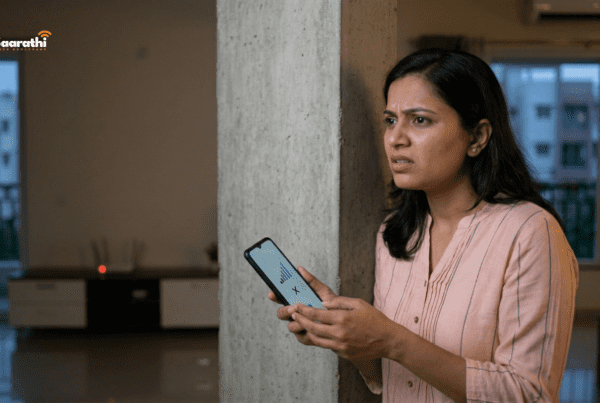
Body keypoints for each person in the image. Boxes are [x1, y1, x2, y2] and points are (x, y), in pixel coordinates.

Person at [268, 48, 579, 402]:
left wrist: (393, 340)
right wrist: (348, 339)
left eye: (419, 120)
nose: (395, 139)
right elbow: (391, 378)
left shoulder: (529, 232)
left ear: (476, 137)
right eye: (390, 120)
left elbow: (530, 393)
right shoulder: (394, 233)